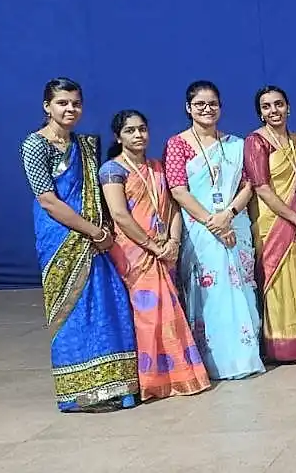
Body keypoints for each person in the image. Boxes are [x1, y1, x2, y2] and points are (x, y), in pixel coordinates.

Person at [20, 78, 139, 412]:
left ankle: (117, 385)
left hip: (95, 236)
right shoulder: (34, 145)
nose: (70, 109)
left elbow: (98, 191)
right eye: (62, 103)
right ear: (47, 107)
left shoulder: (87, 145)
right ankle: (77, 394)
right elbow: (47, 201)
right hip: (61, 239)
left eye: (75, 103)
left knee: (107, 305)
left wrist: (103, 231)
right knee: (71, 312)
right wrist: (94, 232)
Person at [99, 110, 211, 398]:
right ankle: (154, 380)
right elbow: (120, 216)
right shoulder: (112, 170)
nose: (138, 136)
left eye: (142, 129)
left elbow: (173, 207)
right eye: (130, 131)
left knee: (170, 311)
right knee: (148, 315)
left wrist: (173, 242)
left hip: (165, 249)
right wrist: (153, 246)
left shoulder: (157, 167)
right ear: (118, 136)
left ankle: (179, 375)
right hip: (134, 252)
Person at [164, 81, 264, 380]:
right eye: (200, 105)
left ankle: (246, 356)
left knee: (243, 289)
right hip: (201, 230)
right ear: (188, 108)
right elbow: (179, 190)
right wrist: (213, 222)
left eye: (213, 104)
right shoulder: (177, 144)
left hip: (236, 225)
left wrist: (229, 214)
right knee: (211, 291)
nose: (207, 109)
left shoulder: (236, 144)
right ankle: (216, 361)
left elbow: (248, 183)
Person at [243, 86, 296, 364]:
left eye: (278, 104)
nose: (273, 110)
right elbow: (262, 188)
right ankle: (280, 349)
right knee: (276, 284)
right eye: (266, 106)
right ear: (260, 112)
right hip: (273, 222)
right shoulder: (256, 142)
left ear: (288, 107)